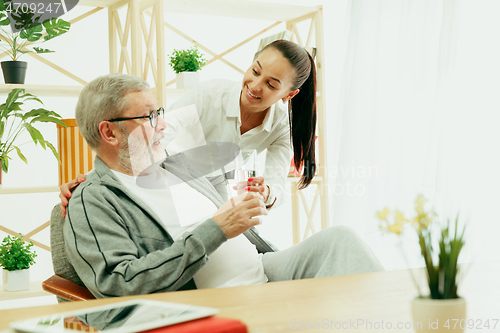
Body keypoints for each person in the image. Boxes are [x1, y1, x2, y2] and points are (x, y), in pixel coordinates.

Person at [64, 73, 383, 298]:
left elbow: (231, 162)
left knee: (342, 240)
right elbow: (119, 282)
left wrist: (255, 196)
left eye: (159, 112)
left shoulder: (178, 162)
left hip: (266, 271)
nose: (163, 123)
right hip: (216, 302)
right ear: (109, 133)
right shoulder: (93, 201)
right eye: (149, 117)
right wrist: (216, 228)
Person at [59, 39, 318, 215]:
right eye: (255, 70)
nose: (255, 85)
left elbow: (276, 183)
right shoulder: (209, 95)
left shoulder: (282, 126)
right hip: (171, 174)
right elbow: (155, 134)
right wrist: (91, 180)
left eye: (272, 84)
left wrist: (267, 191)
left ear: (289, 95)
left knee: (249, 244)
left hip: (219, 189)